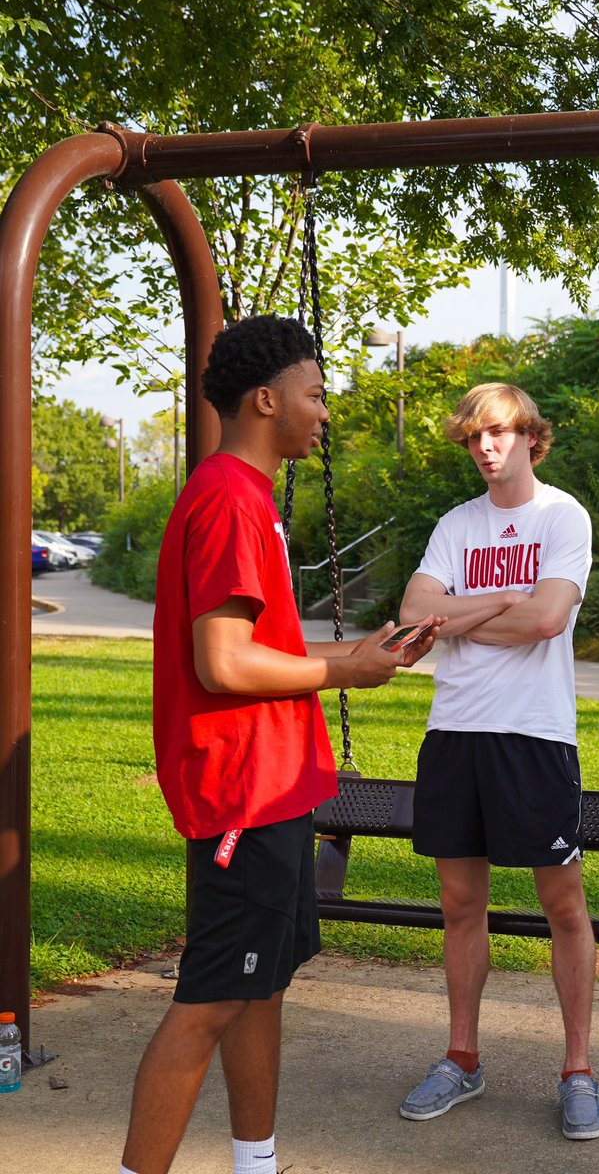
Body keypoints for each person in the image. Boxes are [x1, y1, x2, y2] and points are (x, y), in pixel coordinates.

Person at [121, 314, 439, 1174]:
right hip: (241, 795)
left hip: (273, 788)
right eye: (316, 393)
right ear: (267, 400)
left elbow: (272, 653)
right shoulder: (227, 496)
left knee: (258, 985)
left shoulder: (247, 495)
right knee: (212, 999)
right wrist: (342, 677)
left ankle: (255, 1162)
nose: (325, 412)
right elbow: (223, 664)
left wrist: (361, 655)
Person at [397, 382, 599, 1141]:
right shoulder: (457, 525)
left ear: (530, 436)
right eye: (474, 437)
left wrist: (458, 614)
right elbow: (414, 617)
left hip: (534, 737)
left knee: (563, 905)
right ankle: (462, 1057)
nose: (486, 448)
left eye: (499, 433)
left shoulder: (561, 516)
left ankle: (578, 1069)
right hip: (455, 732)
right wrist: (491, 607)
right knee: (459, 905)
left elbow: (548, 617)